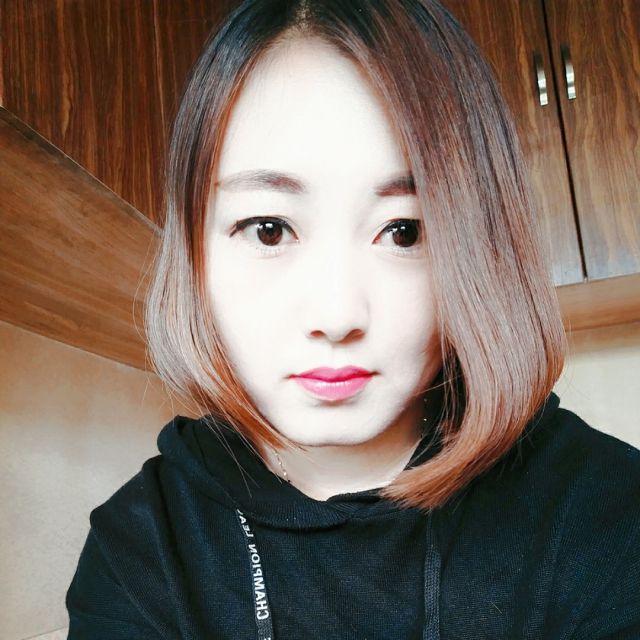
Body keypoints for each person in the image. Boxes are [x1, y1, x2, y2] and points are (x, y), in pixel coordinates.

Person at [65, 1, 640, 638]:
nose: (336, 315)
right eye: (269, 228)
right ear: (195, 252)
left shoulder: (607, 515)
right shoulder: (142, 551)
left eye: (404, 231)